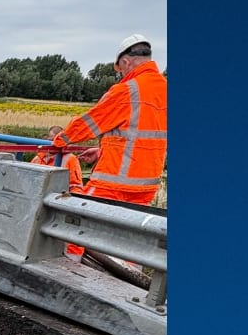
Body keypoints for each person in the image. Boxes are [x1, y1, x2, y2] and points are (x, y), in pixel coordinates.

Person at [36, 34, 168, 207]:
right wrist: (100, 152)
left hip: (113, 185)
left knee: (78, 220)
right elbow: (142, 139)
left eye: (120, 69)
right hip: (146, 187)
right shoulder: (165, 89)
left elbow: (90, 123)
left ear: (126, 62)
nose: (121, 74)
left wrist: (59, 139)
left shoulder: (127, 90)